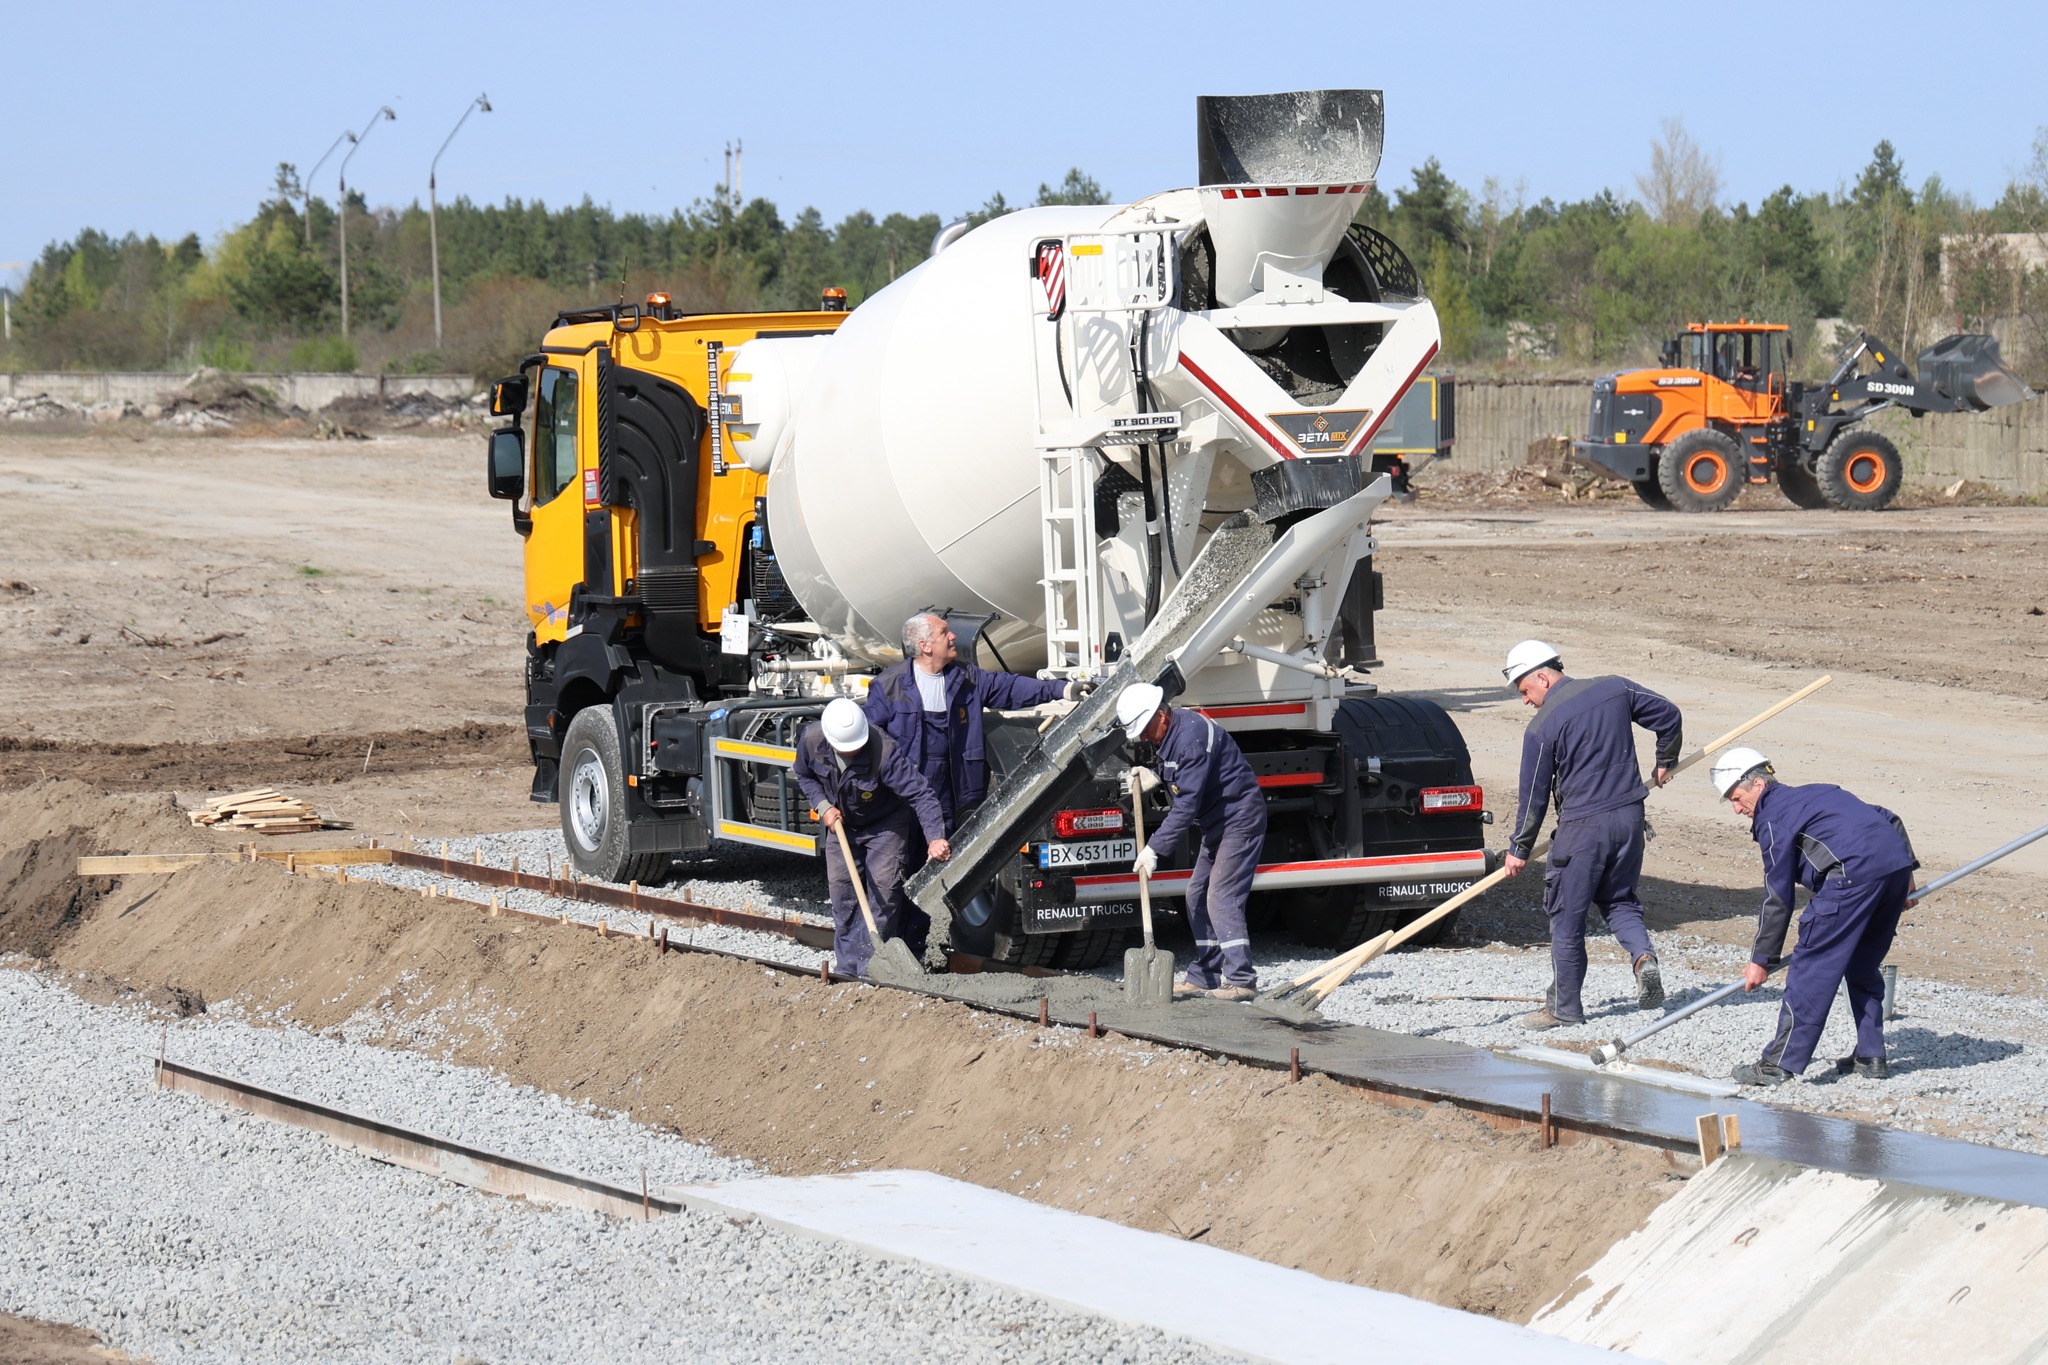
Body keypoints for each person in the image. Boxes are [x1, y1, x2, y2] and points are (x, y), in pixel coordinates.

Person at [1500, 639, 1682, 1030]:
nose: (1526, 701)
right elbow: (1668, 714)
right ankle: (1643, 957)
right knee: (1619, 899)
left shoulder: (1542, 728)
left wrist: (1519, 848)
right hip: (1630, 819)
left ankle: (1565, 1010)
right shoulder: (1615, 687)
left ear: (1543, 677)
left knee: (1567, 919)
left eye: (1525, 690)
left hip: (1583, 830)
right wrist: (1666, 760)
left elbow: (1533, 795)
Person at [1711, 747, 1919, 1086]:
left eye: (1736, 798)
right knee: (1862, 964)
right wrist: (1906, 870)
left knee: (1811, 967)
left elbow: (1778, 895)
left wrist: (1761, 959)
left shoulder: (1772, 820)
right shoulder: (1820, 792)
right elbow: (1888, 817)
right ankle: (1871, 1054)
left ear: (1758, 784)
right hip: (1891, 870)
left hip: (1851, 878)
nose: (1736, 809)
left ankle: (1779, 1064)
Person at [864, 612, 1085, 833]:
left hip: (956, 788)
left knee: (949, 851)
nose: (952, 636)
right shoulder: (888, 687)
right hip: (907, 792)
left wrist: (1061, 688)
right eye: (944, 632)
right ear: (925, 646)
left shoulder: (966, 677)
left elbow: (1009, 687)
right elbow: (869, 744)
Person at [1116, 682, 1267, 1002]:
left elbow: (1187, 805)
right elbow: (1179, 777)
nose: (1143, 737)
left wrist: (1154, 848)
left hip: (1239, 820)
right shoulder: (1173, 734)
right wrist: (1154, 775)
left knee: (1220, 895)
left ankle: (1242, 979)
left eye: (1145, 729)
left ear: (1161, 715)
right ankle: (1206, 975)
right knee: (1196, 894)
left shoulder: (1190, 738)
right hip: (1218, 824)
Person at [792, 697, 951, 979]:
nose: (854, 752)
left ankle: (872, 968)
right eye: (847, 749)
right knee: (842, 895)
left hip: (885, 825)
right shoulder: (811, 740)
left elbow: (921, 794)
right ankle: (848, 968)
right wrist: (823, 806)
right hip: (841, 824)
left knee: (884, 893)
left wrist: (935, 838)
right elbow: (804, 776)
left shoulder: (884, 751)